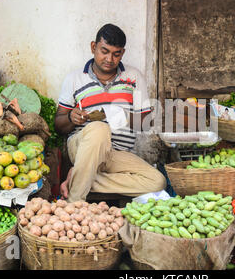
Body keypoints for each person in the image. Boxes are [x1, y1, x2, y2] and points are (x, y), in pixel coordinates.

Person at [55, 23, 166, 202]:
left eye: (116, 54)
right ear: (93, 47)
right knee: (99, 129)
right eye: (104, 51)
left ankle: (79, 178)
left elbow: (145, 123)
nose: (109, 59)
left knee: (157, 181)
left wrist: (118, 114)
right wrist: (70, 117)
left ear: (122, 53)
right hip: (83, 148)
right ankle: (74, 204)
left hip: (117, 154)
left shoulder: (134, 77)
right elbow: (59, 125)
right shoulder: (75, 78)